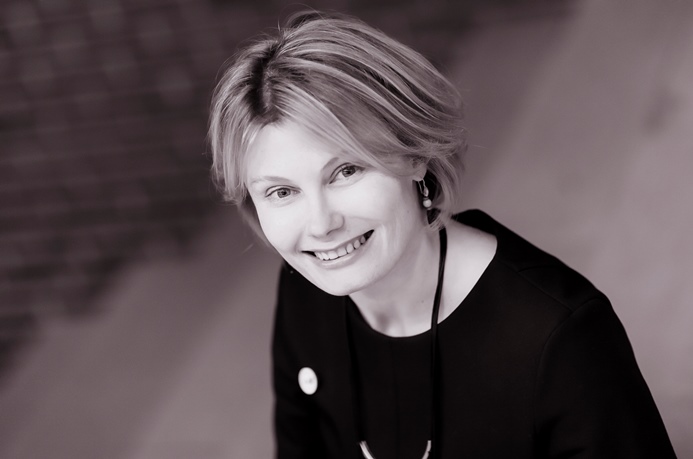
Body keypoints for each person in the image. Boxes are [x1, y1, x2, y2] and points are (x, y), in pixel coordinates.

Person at [208, 10, 676, 459]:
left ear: (414, 155)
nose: (321, 225)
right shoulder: (304, 294)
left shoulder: (559, 336)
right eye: (282, 192)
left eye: (346, 170)